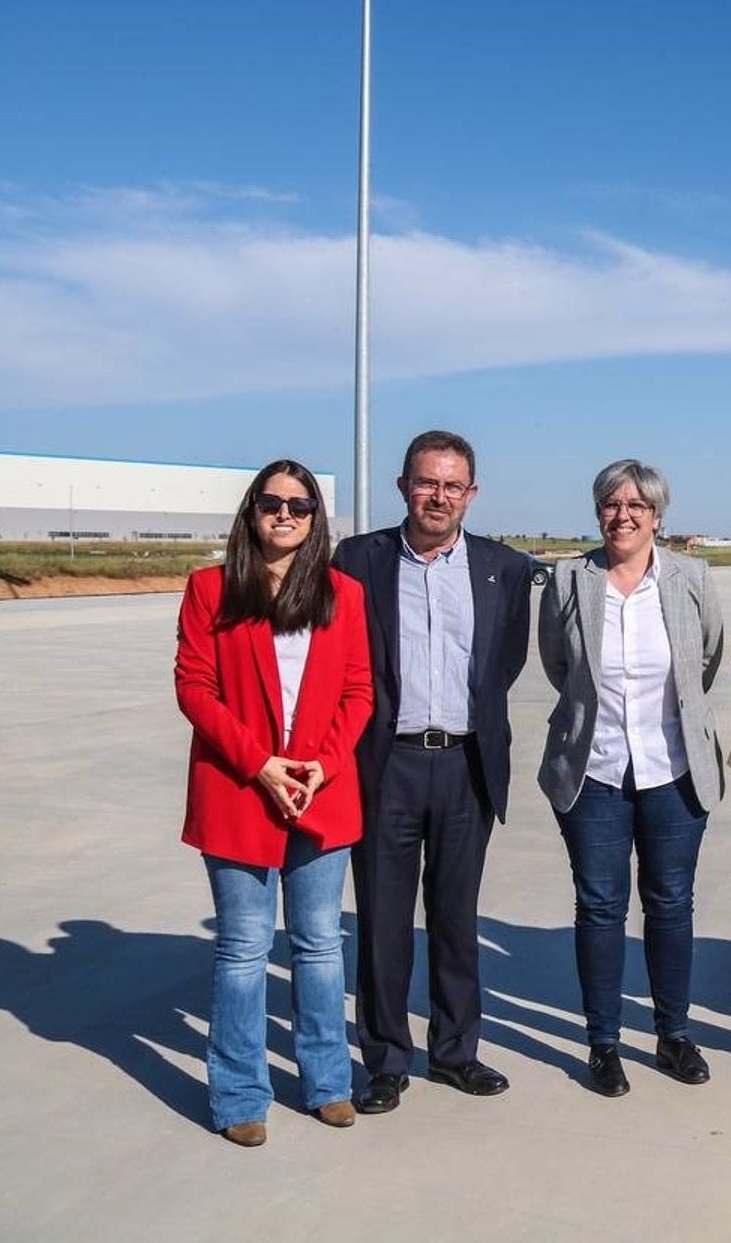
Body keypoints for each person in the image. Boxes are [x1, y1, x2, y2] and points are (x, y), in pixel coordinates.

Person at [174, 460, 373, 1146]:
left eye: (300, 503)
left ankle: (327, 1084)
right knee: (242, 949)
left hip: (321, 792)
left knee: (319, 946)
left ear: (317, 517)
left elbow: (359, 692)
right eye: (271, 502)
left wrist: (322, 765)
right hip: (239, 791)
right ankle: (237, 1096)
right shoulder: (210, 591)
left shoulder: (343, 594)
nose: (284, 514)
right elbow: (195, 690)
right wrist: (260, 765)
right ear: (251, 512)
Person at [336, 429, 533, 1115]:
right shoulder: (358, 561)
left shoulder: (502, 569)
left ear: (471, 494)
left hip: (463, 766)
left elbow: (502, 666)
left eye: (453, 485)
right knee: (383, 923)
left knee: (454, 919)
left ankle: (455, 1053)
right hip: (386, 767)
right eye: (427, 482)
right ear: (403, 487)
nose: (438, 497)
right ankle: (386, 1060)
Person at [537, 460, 725, 1096]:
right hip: (593, 772)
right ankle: (604, 1042)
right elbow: (559, 665)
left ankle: (674, 1034)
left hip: (673, 770)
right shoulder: (569, 579)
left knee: (671, 903)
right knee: (600, 905)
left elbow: (706, 658)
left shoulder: (691, 578)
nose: (623, 515)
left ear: (657, 516)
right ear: (598, 513)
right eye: (611, 505)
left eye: (636, 506)